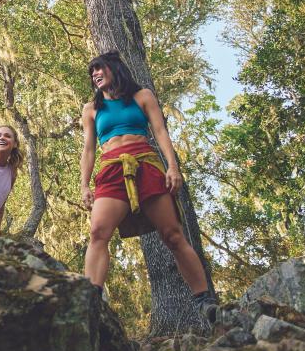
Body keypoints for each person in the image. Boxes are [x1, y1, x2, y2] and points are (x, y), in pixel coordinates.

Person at [79, 51, 218, 322]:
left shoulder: (142, 96)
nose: (95, 74)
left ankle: (205, 301)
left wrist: (173, 167)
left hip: (146, 163)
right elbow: (88, 149)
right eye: (92, 72)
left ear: (114, 69)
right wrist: (84, 184)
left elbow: (161, 132)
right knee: (98, 232)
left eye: (99, 68)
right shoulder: (91, 109)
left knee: (173, 235)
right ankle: (90, 302)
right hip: (110, 168)